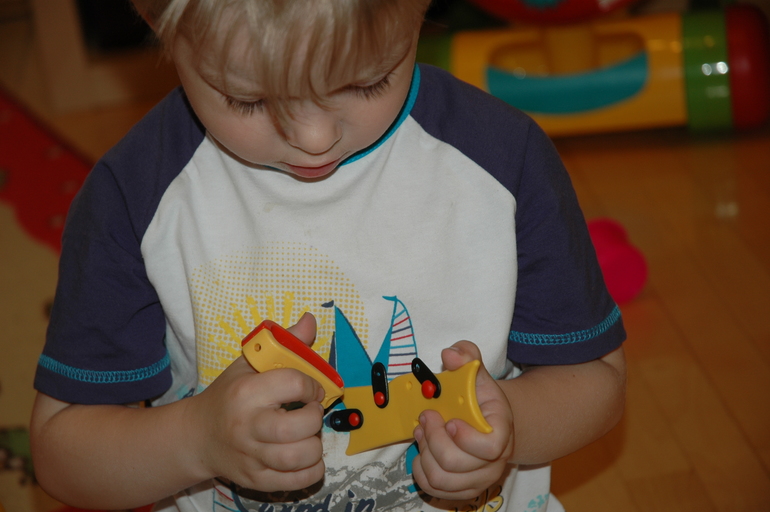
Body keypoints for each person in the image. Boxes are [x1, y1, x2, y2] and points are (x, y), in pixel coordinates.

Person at [30, 1, 627, 511]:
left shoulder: (503, 160)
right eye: (248, 99)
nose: (314, 139)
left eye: (367, 82)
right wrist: (194, 440)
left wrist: (510, 427)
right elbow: (61, 452)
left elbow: (596, 383)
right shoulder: (134, 197)